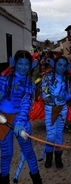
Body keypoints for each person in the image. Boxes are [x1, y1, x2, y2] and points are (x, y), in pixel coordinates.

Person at [0, 50, 43, 184]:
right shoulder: (4, 78)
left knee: (29, 152)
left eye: (26, 64)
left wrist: (19, 122)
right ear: (14, 64)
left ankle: (37, 180)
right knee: (6, 154)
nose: (23, 67)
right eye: (20, 64)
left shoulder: (29, 84)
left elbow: (25, 104)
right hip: (3, 120)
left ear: (31, 65)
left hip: (21, 121)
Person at [41, 56, 71, 169]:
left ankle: (58, 158)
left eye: (64, 65)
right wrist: (50, 97)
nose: (62, 67)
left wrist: (64, 96)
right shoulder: (47, 78)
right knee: (50, 136)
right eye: (59, 64)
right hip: (50, 109)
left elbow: (69, 95)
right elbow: (44, 93)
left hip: (62, 108)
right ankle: (48, 157)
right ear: (54, 65)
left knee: (59, 135)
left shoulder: (66, 79)